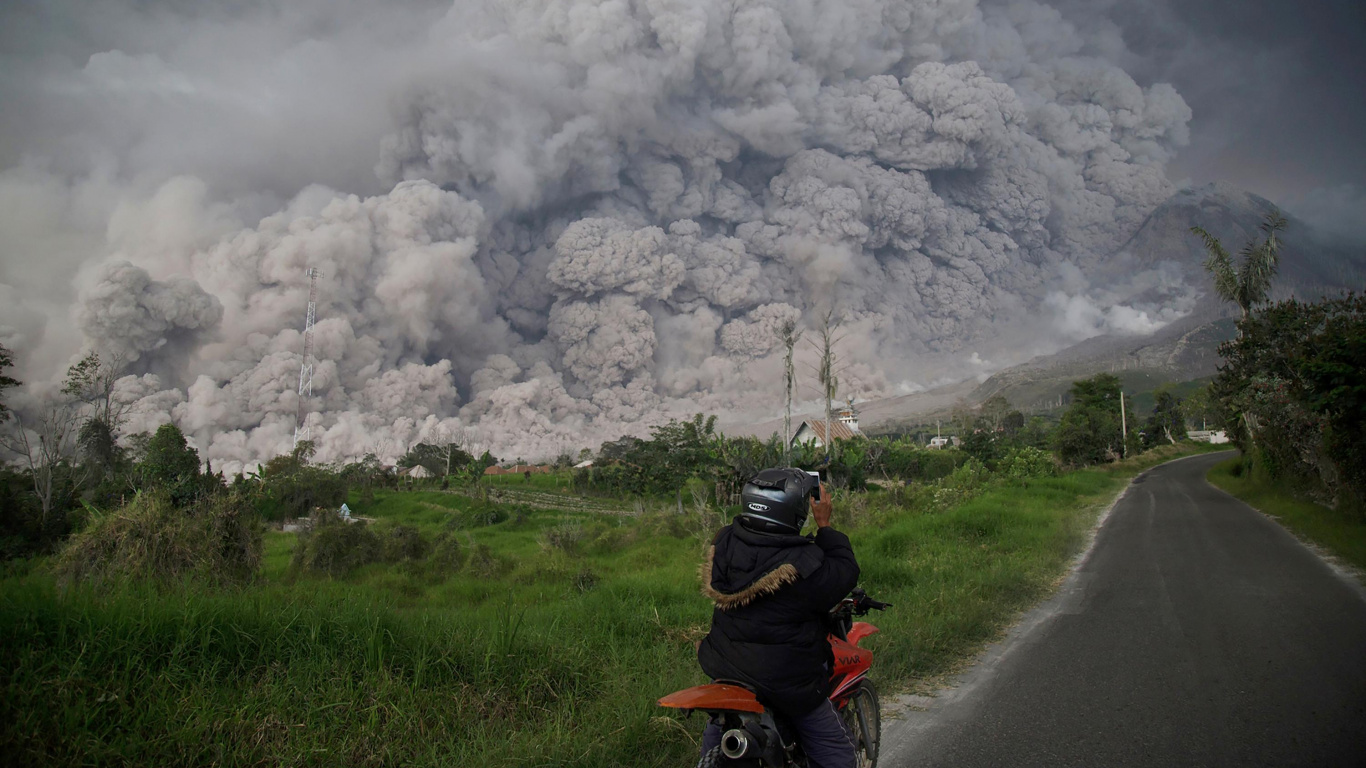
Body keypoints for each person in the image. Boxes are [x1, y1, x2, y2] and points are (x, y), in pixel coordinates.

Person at [696, 467, 861, 768]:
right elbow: (845, 573)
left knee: (717, 734)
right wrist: (824, 525)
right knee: (840, 757)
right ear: (795, 513)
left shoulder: (726, 541)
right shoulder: (804, 564)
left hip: (726, 668)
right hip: (784, 680)